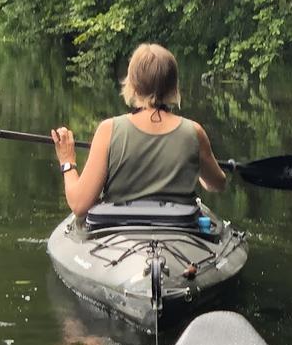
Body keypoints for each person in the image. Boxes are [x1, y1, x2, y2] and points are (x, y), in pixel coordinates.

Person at [51, 43, 227, 217]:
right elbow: (217, 183)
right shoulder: (194, 132)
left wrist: (67, 161)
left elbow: (79, 204)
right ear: (173, 86)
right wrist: (196, 164)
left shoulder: (109, 130)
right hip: (180, 234)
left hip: (119, 238)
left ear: (132, 85)